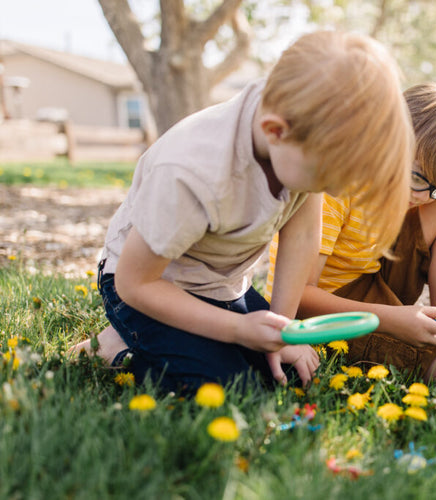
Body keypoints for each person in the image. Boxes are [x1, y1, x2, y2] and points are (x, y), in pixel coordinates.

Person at [71, 31, 414, 394]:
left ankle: (164, 340)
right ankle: (114, 348)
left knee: (289, 375)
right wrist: (236, 330)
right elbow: (135, 283)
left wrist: (282, 330)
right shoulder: (193, 172)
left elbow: (301, 237)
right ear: (275, 131)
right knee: (231, 389)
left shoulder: (302, 135)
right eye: (327, 179)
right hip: (149, 285)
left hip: (219, 284)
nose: (334, 191)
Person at [265, 83, 436, 382]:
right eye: (417, 176)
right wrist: (390, 320)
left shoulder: (432, 197)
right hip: (321, 309)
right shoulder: (337, 185)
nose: (422, 196)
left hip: (373, 281)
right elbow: (295, 297)